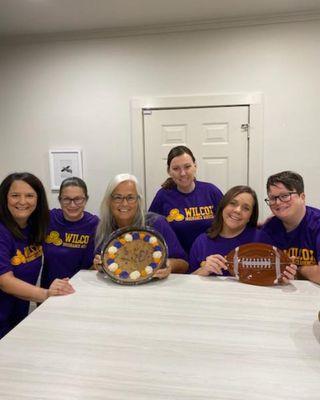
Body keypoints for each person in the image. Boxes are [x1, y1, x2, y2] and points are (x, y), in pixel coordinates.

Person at [0, 172, 74, 339]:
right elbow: (4, 281)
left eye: (29, 196)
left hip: (17, 316)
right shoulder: (2, 230)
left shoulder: (34, 226)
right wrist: (46, 294)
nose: (22, 201)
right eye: (15, 195)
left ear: (38, 199)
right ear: (4, 198)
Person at [189, 185, 296, 282]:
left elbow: (275, 277)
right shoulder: (202, 242)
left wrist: (284, 276)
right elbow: (188, 282)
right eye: (233, 203)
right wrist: (203, 271)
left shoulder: (261, 239)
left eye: (246, 208)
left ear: (250, 216)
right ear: (223, 206)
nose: (238, 210)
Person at [94, 173, 188, 277]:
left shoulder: (157, 223)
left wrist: (169, 265)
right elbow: (96, 265)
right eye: (117, 197)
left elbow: (184, 264)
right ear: (109, 201)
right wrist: (98, 265)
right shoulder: (103, 227)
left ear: (139, 200)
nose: (124, 203)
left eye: (130, 198)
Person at [149, 146, 223, 253]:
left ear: (195, 166)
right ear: (169, 171)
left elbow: (228, 221)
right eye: (176, 168)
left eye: (187, 167)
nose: (182, 173)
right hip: (178, 262)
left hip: (210, 260)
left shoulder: (211, 191)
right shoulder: (162, 196)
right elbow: (150, 229)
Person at [261, 171, 320, 284]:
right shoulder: (269, 228)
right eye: (272, 198)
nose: (278, 202)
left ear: (302, 197)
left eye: (285, 196)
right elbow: (265, 270)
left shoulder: (317, 224)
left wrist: (299, 270)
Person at [41, 177, 99, 289]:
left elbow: (97, 263)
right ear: (60, 200)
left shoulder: (95, 224)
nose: (72, 205)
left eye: (78, 199)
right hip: (50, 289)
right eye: (66, 199)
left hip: (82, 289)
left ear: (86, 199)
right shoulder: (48, 218)